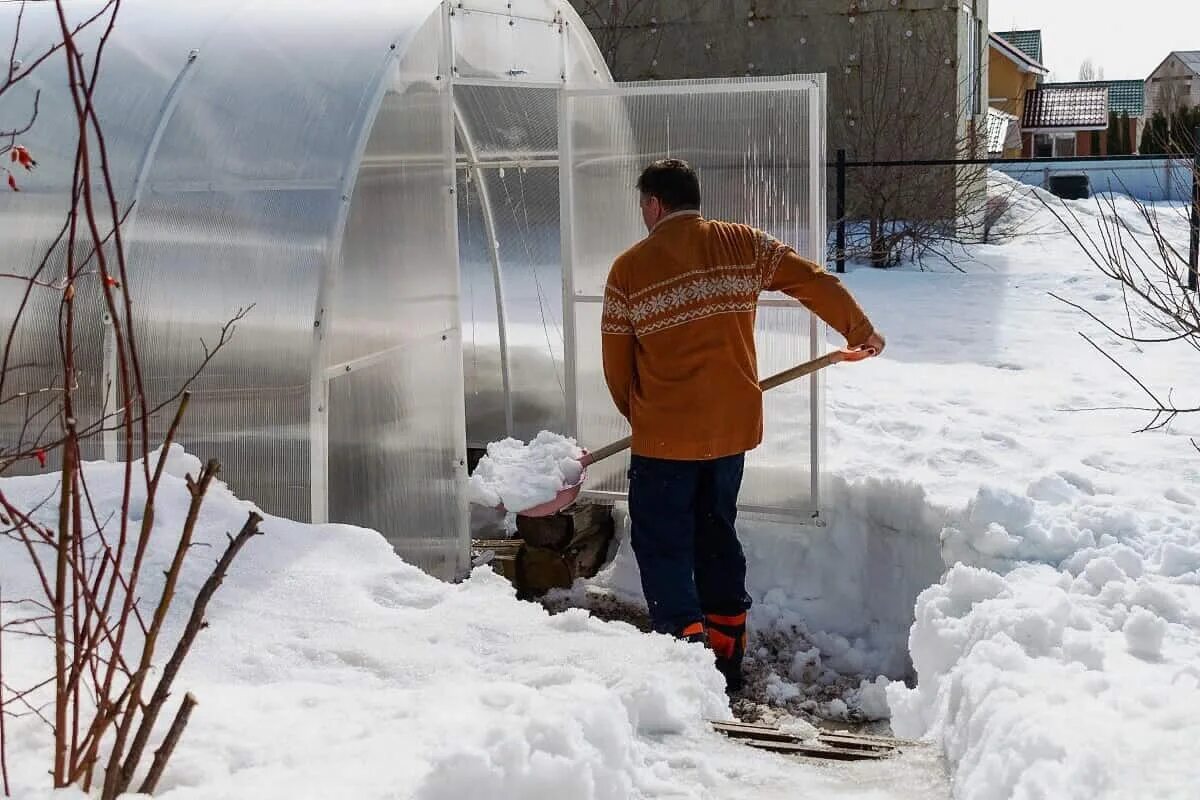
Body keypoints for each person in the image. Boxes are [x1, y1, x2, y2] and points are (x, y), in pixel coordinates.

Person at [600, 159, 884, 693]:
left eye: (643, 206)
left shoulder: (629, 270)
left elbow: (618, 366)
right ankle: (727, 656)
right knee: (715, 535)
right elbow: (812, 280)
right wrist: (859, 329)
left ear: (655, 204)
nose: (642, 215)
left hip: (664, 439)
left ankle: (686, 665)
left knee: (663, 546)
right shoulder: (744, 244)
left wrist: (640, 415)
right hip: (731, 431)